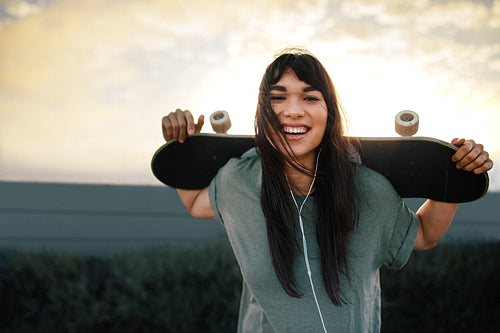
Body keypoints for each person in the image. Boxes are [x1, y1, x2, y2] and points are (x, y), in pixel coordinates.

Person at [161, 48, 493, 332]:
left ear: (328, 113)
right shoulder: (240, 182)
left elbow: (423, 234)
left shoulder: (367, 189)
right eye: (278, 98)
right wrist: (182, 149)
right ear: (263, 113)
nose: (293, 109)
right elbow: (194, 202)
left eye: (309, 97)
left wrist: (453, 178)